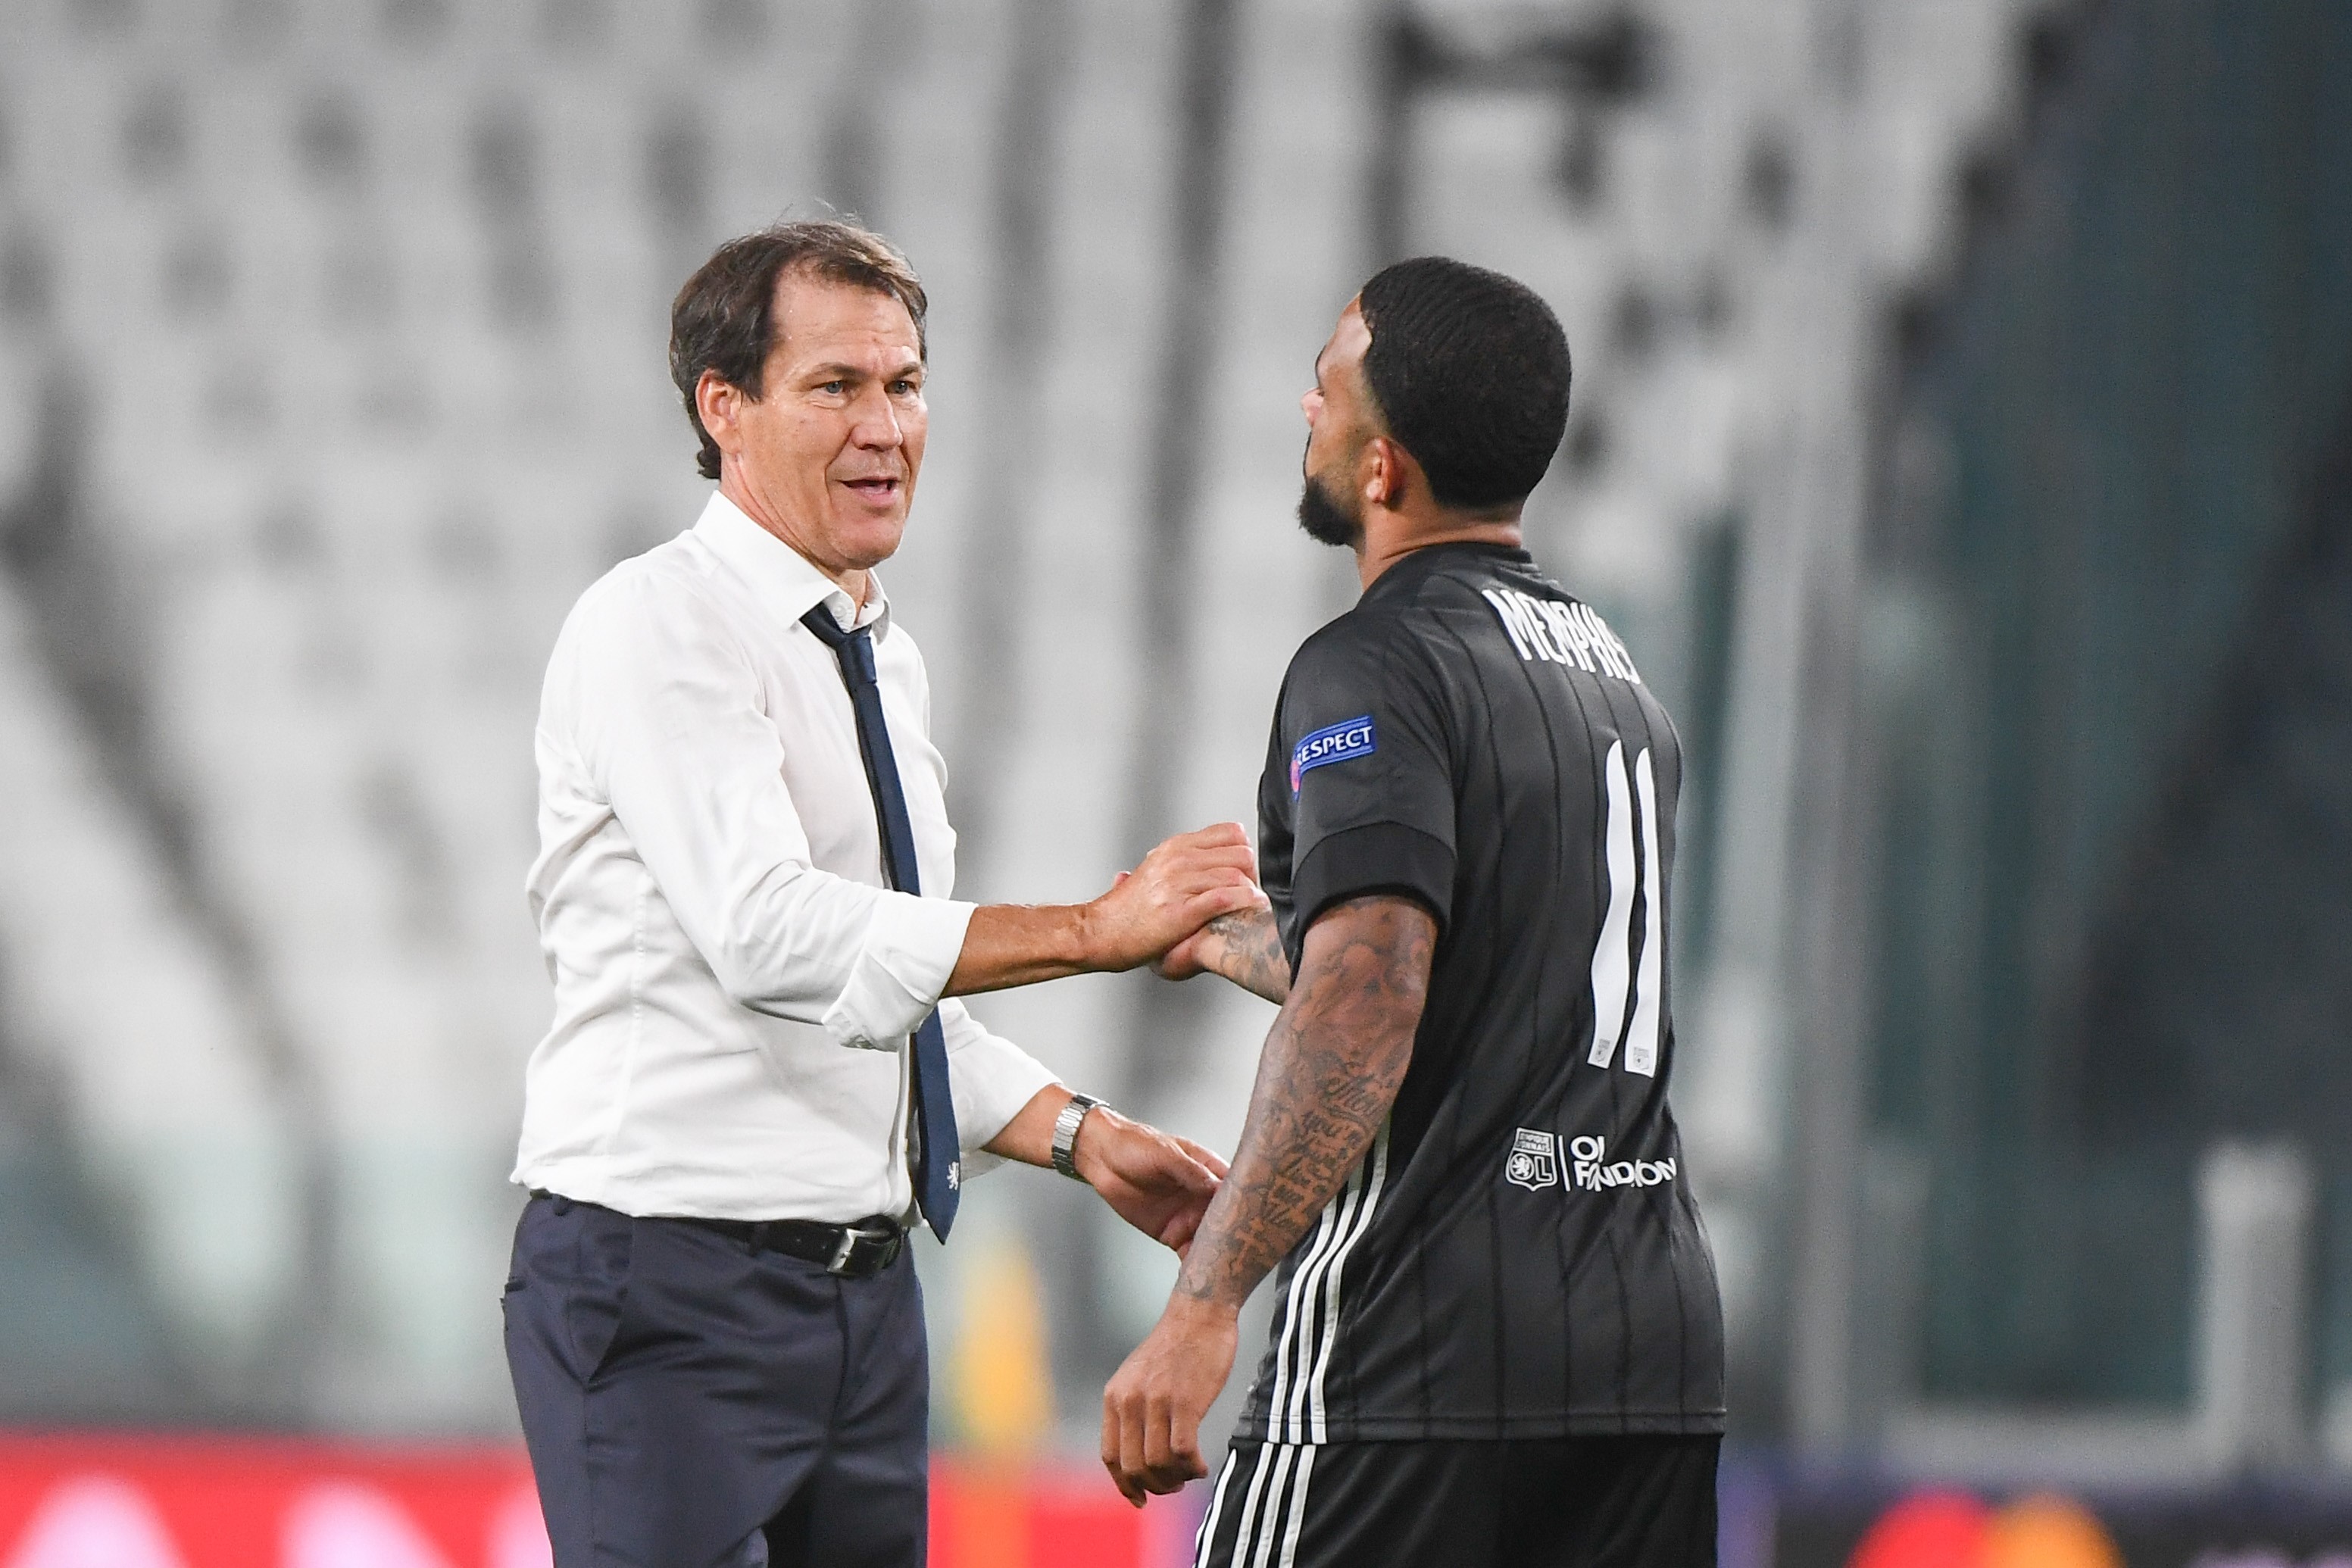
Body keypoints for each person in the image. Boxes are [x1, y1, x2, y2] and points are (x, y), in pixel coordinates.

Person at [503, 220, 1263, 1568]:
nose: (886, 426)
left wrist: (1076, 1134)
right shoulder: (654, 623)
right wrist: (1095, 931)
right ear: (722, 408)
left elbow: (893, 1001)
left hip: (863, 1304)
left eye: (904, 384)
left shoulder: (873, 654)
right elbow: (768, 934)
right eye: (835, 386)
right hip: (664, 1289)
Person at [1103, 257, 1726, 1568]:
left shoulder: (1372, 662)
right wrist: (1248, 944)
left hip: (1423, 1348)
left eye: (1325, 389)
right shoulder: (1617, 684)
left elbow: (1371, 991)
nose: (1305, 408)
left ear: (1382, 468)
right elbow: (1484, 974)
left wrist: (1207, 1299)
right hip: (1643, 1347)